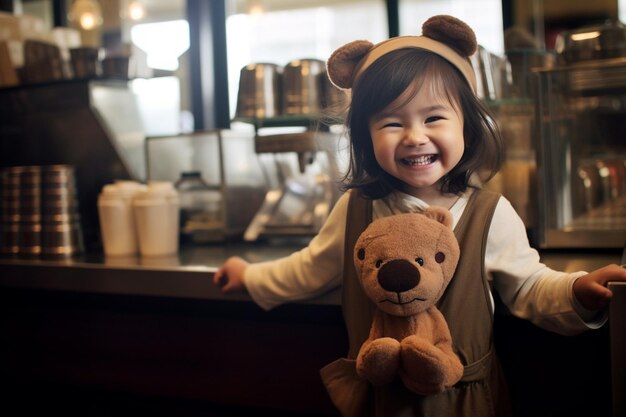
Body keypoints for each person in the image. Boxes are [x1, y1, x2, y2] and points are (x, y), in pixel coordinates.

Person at [213, 15, 626, 417]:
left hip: (463, 403)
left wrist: (578, 291)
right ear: (364, 136)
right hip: (376, 400)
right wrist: (249, 276)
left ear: (467, 123)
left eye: (433, 117)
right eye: (391, 122)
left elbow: (531, 286)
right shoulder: (356, 208)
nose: (414, 137)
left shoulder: (489, 214)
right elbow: (309, 269)